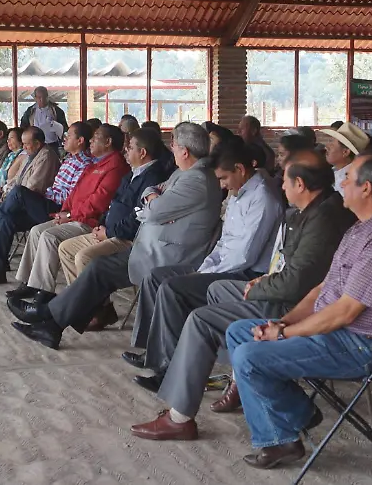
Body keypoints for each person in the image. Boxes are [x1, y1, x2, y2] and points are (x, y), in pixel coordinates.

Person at [128, 150, 356, 441]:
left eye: (285, 181)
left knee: (201, 320)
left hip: (293, 306)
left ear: (300, 184)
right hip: (279, 289)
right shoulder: (312, 210)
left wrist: (260, 286)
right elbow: (290, 268)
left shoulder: (323, 219)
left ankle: (180, 416)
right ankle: (236, 374)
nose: (280, 185)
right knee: (216, 289)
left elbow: (297, 283)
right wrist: (264, 281)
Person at [219, 155, 372, 468]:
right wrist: (283, 322)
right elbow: (322, 289)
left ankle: (280, 439)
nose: (341, 183)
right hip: (336, 332)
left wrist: (284, 334)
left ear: (366, 188)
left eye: (348, 178)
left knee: (249, 357)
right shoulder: (362, 228)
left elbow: (345, 313)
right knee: (239, 332)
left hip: (359, 345)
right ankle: (296, 414)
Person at [7, 122, 222, 349]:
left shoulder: (196, 180)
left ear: (185, 151)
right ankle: (51, 324)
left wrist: (152, 201)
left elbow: (153, 211)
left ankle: (48, 315)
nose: (172, 149)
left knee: (97, 266)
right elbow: (152, 192)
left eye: (175, 145)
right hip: (149, 246)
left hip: (166, 255)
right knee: (98, 268)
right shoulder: (183, 173)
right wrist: (153, 197)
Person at [124, 138, 284, 392]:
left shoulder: (263, 199)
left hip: (245, 274)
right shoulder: (239, 193)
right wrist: (206, 266)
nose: (221, 185)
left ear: (240, 169)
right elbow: (224, 243)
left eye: (223, 178)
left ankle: (169, 371)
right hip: (220, 265)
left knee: (174, 289)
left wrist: (206, 271)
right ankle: (155, 353)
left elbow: (243, 256)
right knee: (156, 277)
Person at [53, 128, 170, 325]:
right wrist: (101, 224)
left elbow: (137, 217)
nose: (126, 151)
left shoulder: (153, 177)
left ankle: (92, 312)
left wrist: (109, 231)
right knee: (66, 249)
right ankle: (90, 308)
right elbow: (113, 204)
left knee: (84, 257)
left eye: (130, 147)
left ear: (142, 152)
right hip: (109, 231)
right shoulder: (132, 173)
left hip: (128, 238)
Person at [7, 125, 130, 300]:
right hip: (73, 216)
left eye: (95, 137)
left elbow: (98, 203)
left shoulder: (115, 167)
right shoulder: (95, 164)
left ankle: (44, 292)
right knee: (36, 231)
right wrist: (64, 211)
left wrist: (71, 216)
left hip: (89, 222)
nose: (91, 141)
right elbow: (74, 192)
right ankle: (30, 284)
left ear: (108, 142)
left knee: (49, 236)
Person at [0, 122, 96, 285]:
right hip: (46, 202)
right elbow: (24, 180)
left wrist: (44, 193)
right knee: (7, 220)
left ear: (80, 140)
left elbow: (71, 196)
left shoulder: (84, 164)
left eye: (69, 135)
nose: (64, 138)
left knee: (19, 192)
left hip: (58, 210)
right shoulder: (68, 160)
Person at [0, 127, 59, 266]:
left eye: (26, 144)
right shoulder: (29, 155)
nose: (24, 147)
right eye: (23, 144)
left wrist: (10, 194)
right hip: (12, 195)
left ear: (38, 143)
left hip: (33, 203)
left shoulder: (46, 156)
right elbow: (17, 178)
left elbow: (33, 186)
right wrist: (5, 189)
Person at [319, 122, 369, 195]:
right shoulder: (334, 171)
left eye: (332, 144)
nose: (326, 147)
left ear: (345, 152)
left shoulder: (348, 182)